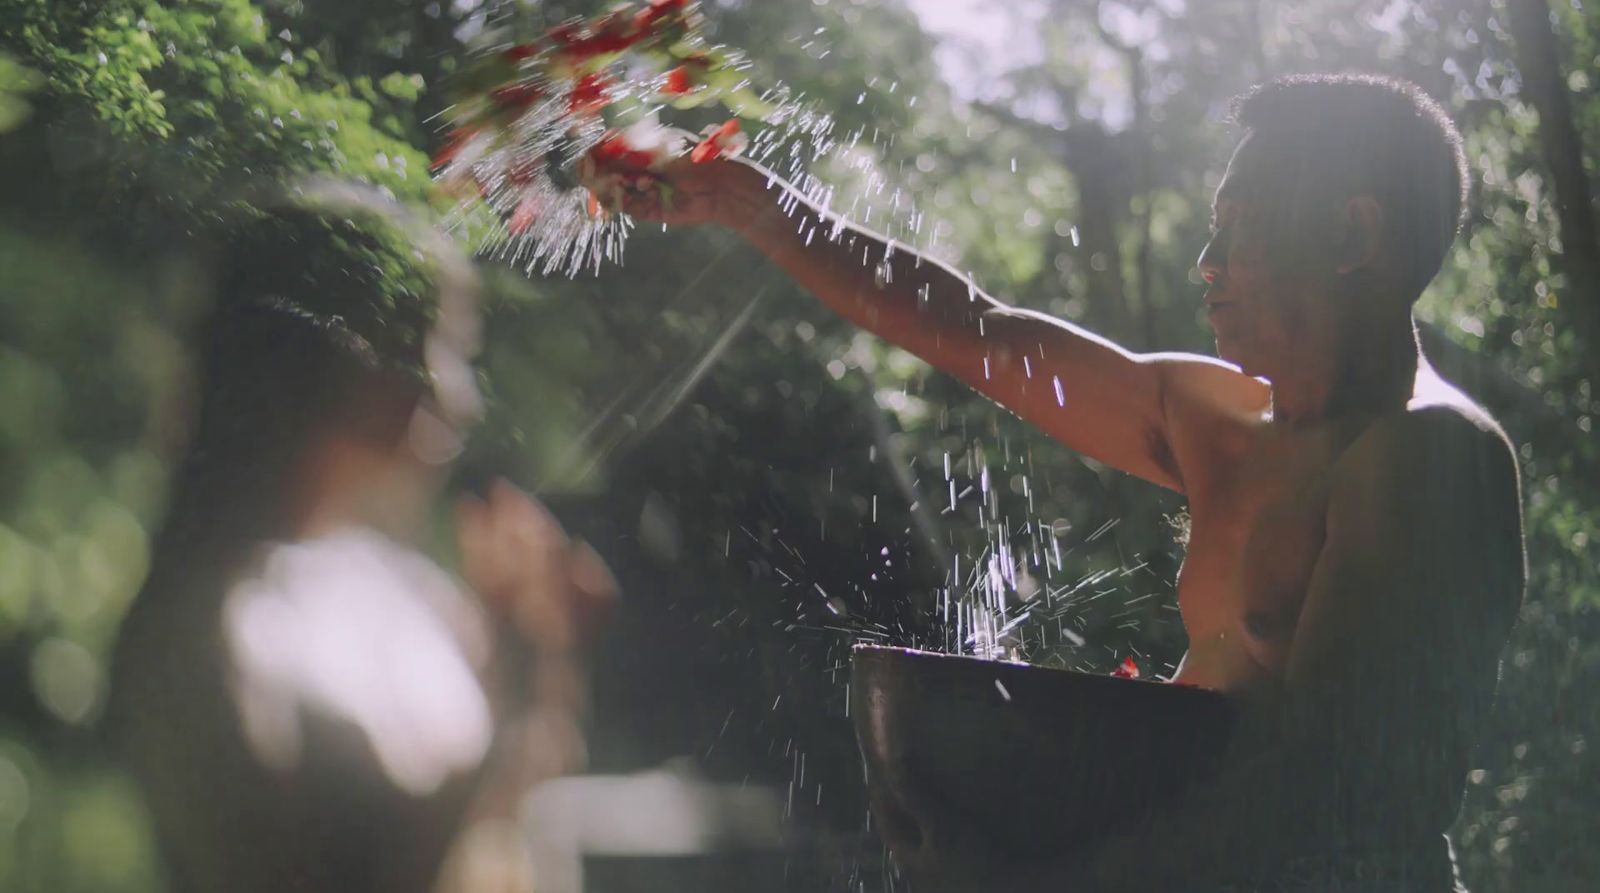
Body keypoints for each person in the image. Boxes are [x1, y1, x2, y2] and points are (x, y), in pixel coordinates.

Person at [614, 75, 1526, 890]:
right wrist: (752, 203)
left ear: (1350, 232)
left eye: (1238, 222)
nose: (1206, 259)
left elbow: (1333, 794)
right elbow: (979, 329)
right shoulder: (1220, 421)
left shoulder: (1428, 456)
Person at [108, 196, 615, 893]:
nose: (459, 397)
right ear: (326, 352)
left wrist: (544, 656)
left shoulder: (396, 584)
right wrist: (516, 680)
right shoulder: (198, 626)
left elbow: (510, 810)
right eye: (432, 344)